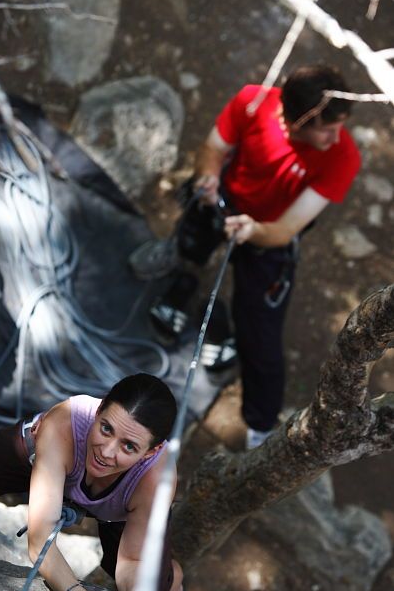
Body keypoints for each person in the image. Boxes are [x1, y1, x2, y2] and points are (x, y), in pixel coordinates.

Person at [135, 64, 361, 449]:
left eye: (338, 126)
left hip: (269, 230)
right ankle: (182, 256)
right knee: (194, 234)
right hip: (226, 199)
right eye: (326, 128)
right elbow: (213, 150)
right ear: (291, 120)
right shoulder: (252, 102)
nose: (336, 137)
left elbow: (286, 229)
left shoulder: (342, 157)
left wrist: (254, 231)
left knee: (260, 333)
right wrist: (207, 178)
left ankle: (260, 427)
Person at [0, 373, 185, 591]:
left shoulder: (157, 479)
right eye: (106, 428)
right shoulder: (63, 424)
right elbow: (39, 540)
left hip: (120, 510)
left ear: (151, 452)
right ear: (99, 409)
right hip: (42, 459)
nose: (106, 452)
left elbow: (133, 562)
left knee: (156, 589)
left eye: (128, 446)